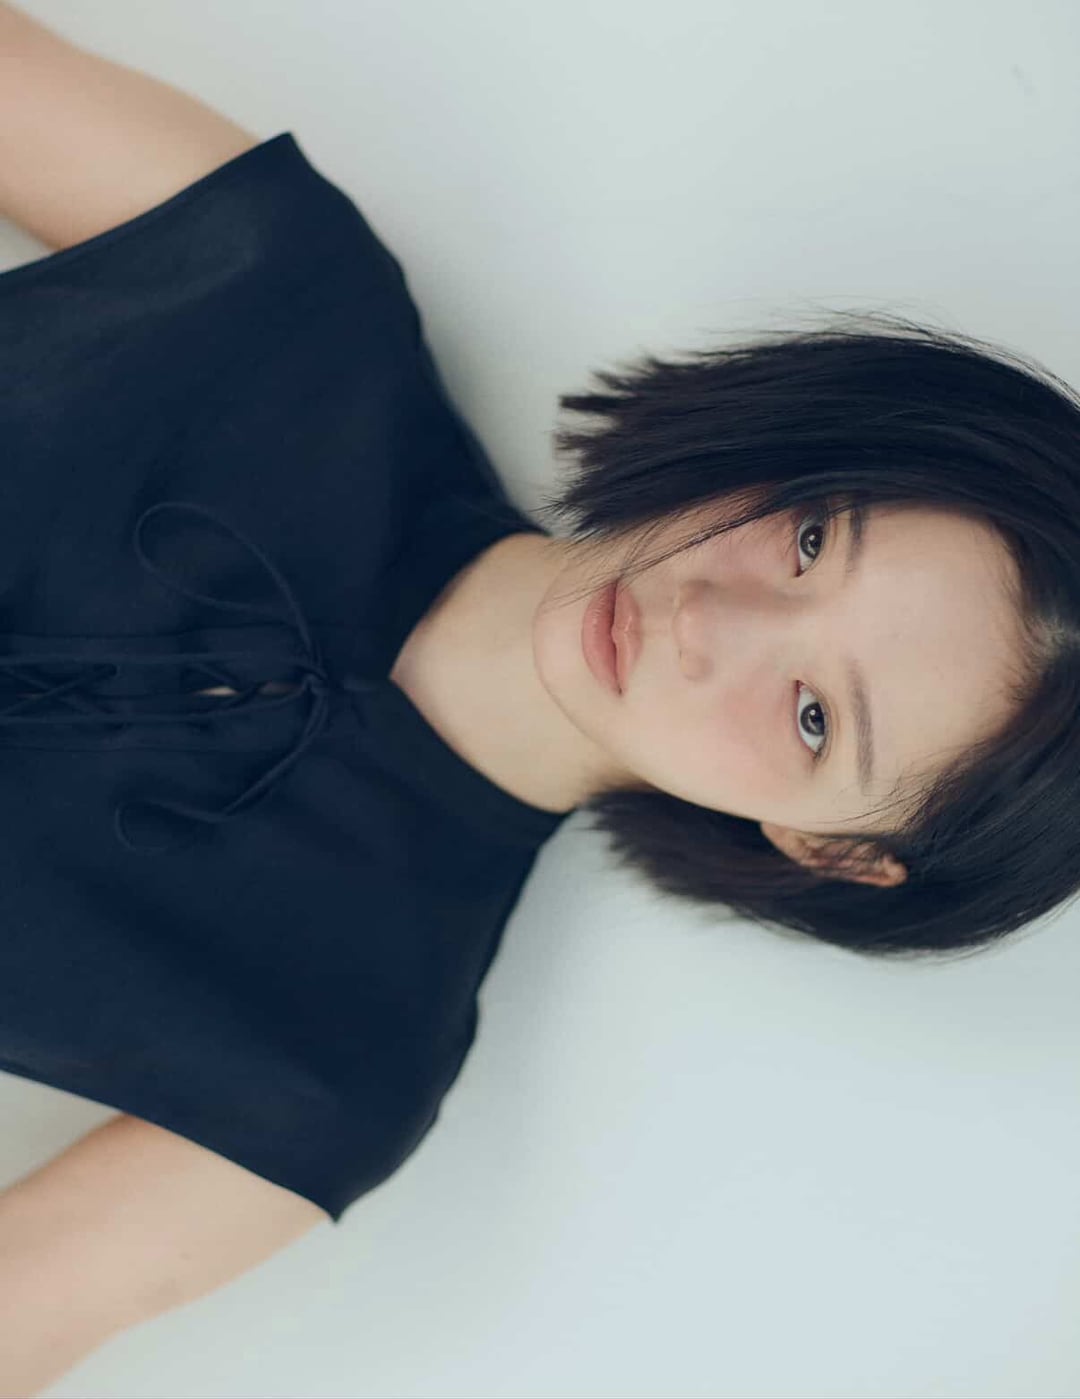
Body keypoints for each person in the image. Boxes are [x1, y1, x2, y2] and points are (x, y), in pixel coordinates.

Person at [1, 4, 1079, 1395]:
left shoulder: (333, 1064)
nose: (712, 619)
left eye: (814, 717)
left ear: (831, 849)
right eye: (812, 540)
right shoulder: (284, 288)